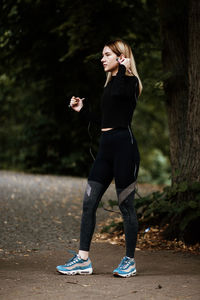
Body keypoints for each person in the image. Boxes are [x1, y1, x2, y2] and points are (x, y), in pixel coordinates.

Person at [56, 39, 143, 277]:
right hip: (105, 151)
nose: (102, 59)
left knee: (126, 206)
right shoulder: (110, 84)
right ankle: (83, 260)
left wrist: (125, 70)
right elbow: (106, 121)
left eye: (106, 54)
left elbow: (120, 98)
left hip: (125, 149)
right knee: (89, 203)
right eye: (102, 55)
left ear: (120, 56)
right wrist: (82, 111)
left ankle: (129, 261)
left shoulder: (130, 82)